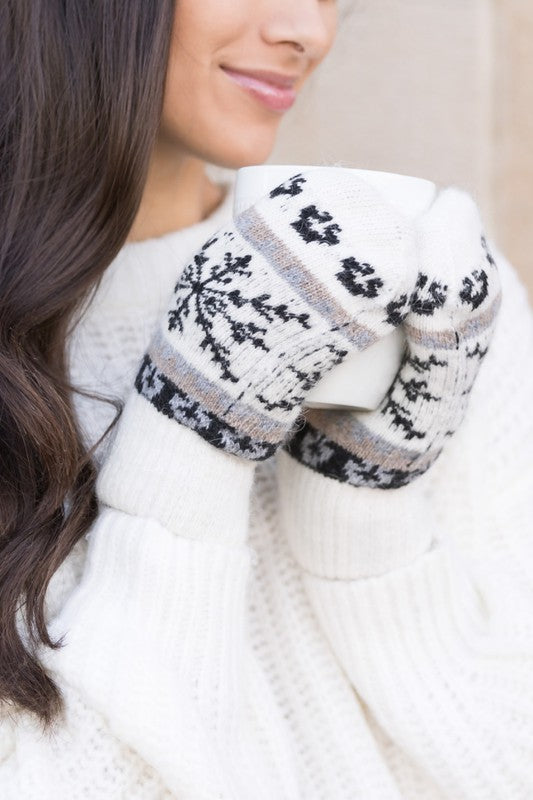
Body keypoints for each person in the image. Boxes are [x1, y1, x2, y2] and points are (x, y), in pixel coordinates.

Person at [0, 1, 532, 798]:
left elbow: (504, 759)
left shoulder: (417, 283)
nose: (309, 33)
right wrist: (189, 441)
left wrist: (363, 524)